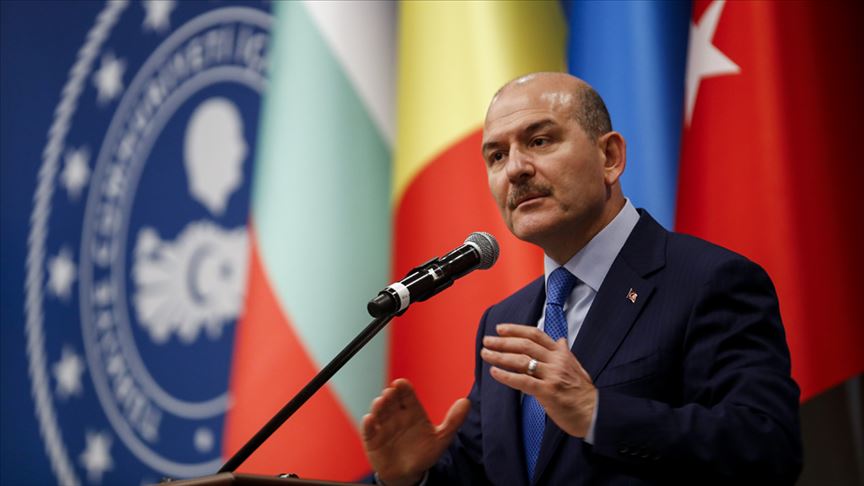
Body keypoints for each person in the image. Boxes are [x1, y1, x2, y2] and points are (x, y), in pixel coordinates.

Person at [361, 72, 802, 485]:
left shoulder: (708, 281)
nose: (515, 168)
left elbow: (767, 448)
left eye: (539, 141)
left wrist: (597, 413)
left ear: (610, 157)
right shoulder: (505, 319)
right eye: (497, 156)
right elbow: (489, 471)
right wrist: (411, 477)